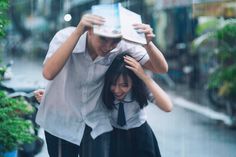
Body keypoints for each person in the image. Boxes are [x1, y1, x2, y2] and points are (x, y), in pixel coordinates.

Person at [35, 10, 168, 157]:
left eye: (114, 40)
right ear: (90, 31)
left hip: (95, 121)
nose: (108, 46)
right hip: (61, 120)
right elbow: (48, 73)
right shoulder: (65, 36)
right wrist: (78, 32)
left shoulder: (121, 45)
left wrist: (148, 43)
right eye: (103, 39)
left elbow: (161, 68)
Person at [102, 53, 172, 157]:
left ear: (133, 82)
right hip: (115, 136)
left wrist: (144, 76)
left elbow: (168, 107)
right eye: (113, 84)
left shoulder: (139, 88)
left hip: (141, 136)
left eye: (124, 85)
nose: (117, 90)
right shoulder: (104, 89)